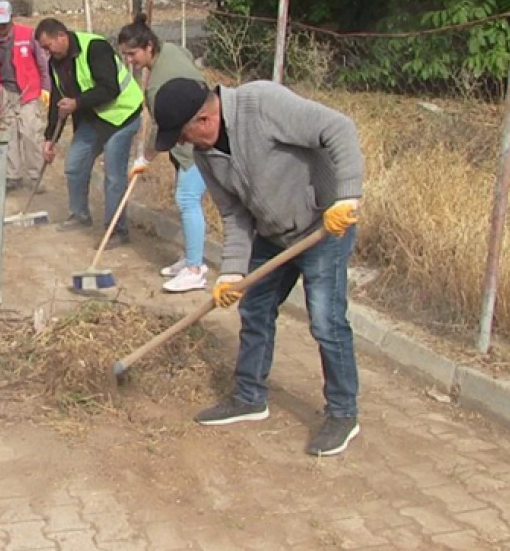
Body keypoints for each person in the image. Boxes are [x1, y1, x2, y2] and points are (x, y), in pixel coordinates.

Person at [151, 77, 364, 457]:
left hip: (323, 227)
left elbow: (338, 128)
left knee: (326, 322)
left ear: (203, 119)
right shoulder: (206, 154)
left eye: (182, 134)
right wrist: (232, 272)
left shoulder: (261, 104)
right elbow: (234, 213)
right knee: (255, 309)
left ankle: (343, 413)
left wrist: (346, 197)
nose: (182, 144)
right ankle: (249, 397)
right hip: (272, 234)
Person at [118, 14, 209, 293]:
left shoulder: (159, 87)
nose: (129, 61)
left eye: (132, 54)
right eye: (124, 55)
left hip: (202, 139)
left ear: (148, 47)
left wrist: (144, 158)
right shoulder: (171, 49)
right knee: (186, 198)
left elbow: (162, 129)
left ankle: (195, 270)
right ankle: (192, 258)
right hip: (195, 133)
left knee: (187, 197)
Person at [35, 18, 143, 247]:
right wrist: (49, 138)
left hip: (122, 116)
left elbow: (110, 88)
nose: (46, 52)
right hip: (94, 119)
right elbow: (58, 99)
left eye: (47, 46)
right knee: (74, 165)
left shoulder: (95, 47)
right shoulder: (55, 62)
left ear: (61, 36)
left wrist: (77, 103)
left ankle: (116, 231)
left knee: (114, 177)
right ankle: (80, 216)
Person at [0, 0, 51, 192]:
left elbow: (43, 66)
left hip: (28, 92)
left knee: (30, 134)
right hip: (5, 95)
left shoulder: (29, 35)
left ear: (11, 19)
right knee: (9, 136)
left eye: (4, 23)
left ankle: (35, 176)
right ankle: (12, 175)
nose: (1, 28)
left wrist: (46, 90)